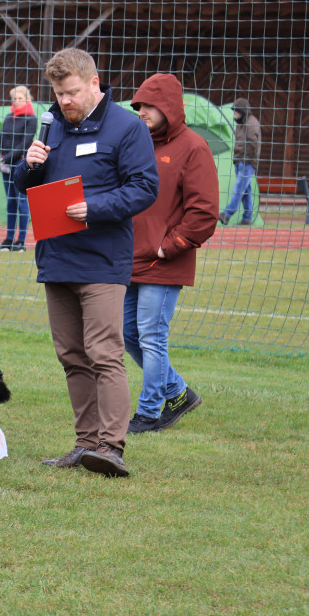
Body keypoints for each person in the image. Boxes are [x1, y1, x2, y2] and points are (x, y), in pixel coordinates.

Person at [13, 48, 158, 478]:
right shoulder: (52, 127)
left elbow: (144, 188)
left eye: (71, 92)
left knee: (104, 353)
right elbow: (25, 186)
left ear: (94, 84)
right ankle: (84, 443)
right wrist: (28, 165)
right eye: (58, 94)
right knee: (72, 355)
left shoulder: (127, 128)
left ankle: (111, 447)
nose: (64, 102)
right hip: (56, 259)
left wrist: (93, 207)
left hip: (101, 261)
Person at [125, 74, 217, 434]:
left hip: (163, 261)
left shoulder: (194, 147)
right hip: (130, 256)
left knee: (150, 335)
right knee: (126, 333)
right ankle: (179, 392)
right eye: (139, 106)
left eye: (149, 105)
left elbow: (205, 211)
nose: (142, 112)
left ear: (169, 108)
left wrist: (170, 246)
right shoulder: (137, 142)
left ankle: (149, 411)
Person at [0, 85, 37, 252]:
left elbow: (24, 145)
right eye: (14, 99)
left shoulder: (31, 119)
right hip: (5, 164)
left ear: (27, 100)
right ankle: (9, 239)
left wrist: (3, 159)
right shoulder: (9, 117)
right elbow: (0, 140)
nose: (17, 102)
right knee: (11, 202)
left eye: (20, 99)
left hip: (20, 165)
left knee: (22, 202)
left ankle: (21, 242)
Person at [219, 98, 261, 226]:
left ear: (242, 111)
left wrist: (250, 161)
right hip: (240, 161)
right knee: (246, 191)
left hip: (246, 162)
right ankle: (247, 218)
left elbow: (254, 143)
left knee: (238, 189)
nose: (234, 114)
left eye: (236, 111)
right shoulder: (242, 123)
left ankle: (227, 214)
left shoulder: (251, 123)